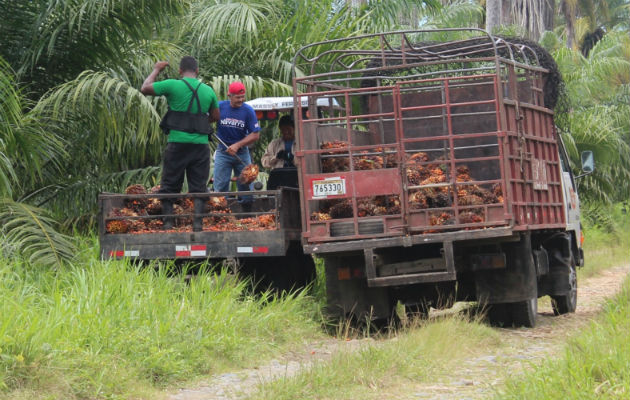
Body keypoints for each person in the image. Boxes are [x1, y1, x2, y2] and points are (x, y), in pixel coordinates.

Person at [141, 56, 220, 231]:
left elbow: (145, 88)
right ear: (197, 71)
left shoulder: (173, 85)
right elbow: (215, 116)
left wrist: (156, 69)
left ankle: (168, 223)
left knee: (169, 183)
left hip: (177, 143)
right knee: (199, 186)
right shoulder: (208, 91)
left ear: (180, 71)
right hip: (200, 145)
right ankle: (197, 224)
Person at [213, 81, 260, 208]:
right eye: (237, 97)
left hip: (242, 153)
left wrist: (237, 145)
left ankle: (247, 215)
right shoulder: (220, 107)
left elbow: (255, 134)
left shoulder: (248, 111)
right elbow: (207, 118)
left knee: (246, 186)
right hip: (223, 152)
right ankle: (221, 216)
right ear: (229, 95)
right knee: (220, 187)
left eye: (242, 97)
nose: (241, 100)